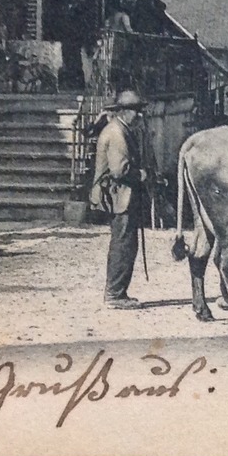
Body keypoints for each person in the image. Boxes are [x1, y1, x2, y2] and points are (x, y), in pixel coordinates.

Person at [90, 89, 148, 308]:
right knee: (122, 244)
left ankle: (117, 292)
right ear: (123, 111)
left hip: (121, 195)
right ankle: (115, 294)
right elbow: (119, 170)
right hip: (118, 196)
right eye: (136, 111)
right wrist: (140, 174)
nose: (139, 115)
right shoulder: (116, 133)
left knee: (125, 242)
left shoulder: (121, 129)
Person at [60, 0, 96, 90]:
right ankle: (71, 83)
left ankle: (79, 85)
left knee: (76, 62)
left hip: (76, 40)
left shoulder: (81, 10)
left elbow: (83, 25)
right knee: (68, 60)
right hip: (68, 40)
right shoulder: (68, 8)